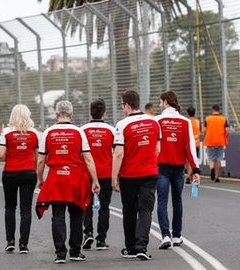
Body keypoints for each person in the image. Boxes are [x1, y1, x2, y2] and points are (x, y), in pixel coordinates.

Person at [36, 100, 101, 264]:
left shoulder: (48, 132)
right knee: (77, 215)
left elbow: (40, 161)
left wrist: (40, 178)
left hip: (56, 177)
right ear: (71, 115)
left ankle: (60, 253)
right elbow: (88, 159)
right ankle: (75, 251)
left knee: (57, 215)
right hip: (76, 178)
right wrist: (95, 180)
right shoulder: (79, 132)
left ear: (57, 114)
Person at [112, 90, 161, 261]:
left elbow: (118, 154)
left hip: (129, 175)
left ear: (126, 105)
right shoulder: (154, 122)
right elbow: (157, 150)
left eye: (122, 105)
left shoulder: (122, 124)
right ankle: (142, 246)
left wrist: (114, 177)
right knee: (146, 209)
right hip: (149, 173)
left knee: (129, 210)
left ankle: (131, 247)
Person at [155, 92, 200, 249]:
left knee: (161, 201)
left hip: (161, 168)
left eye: (160, 102)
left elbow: (154, 148)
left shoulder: (157, 121)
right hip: (179, 169)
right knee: (177, 201)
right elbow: (190, 148)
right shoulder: (185, 122)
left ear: (166, 102)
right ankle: (177, 236)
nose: (159, 105)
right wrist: (196, 169)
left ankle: (165, 235)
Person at [0, 104, 40, 254]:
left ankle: (10, 241)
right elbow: (38, 157)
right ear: (28, 115)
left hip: (10, 172)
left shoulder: (6, 132)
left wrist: (12, 153)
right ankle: (24, 244)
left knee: (10, 207)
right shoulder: (34, 133)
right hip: (28, 172)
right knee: (26, 209)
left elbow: (0, 154)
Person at [80, 99, 115, 251]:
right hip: (106, 173)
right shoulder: (111, 130)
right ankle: (101, 239)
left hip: (87, 173)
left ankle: (88, 232)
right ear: (104, 113)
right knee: (104, 207)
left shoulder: (82, 130)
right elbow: (117, 152)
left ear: (90, 112)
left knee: (86, 205)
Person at [203, 104, 229, 182]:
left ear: (212, 110)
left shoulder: (207, 119)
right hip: (220, 141)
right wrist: (225, 137)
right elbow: (227, 130)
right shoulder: (223, 119)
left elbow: (204, 130)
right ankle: (217, 177)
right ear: (219, 110)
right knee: (218, 159)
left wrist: (208, 134)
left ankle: (212, 169)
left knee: (211, 158)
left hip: (210, 141)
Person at [185, 106, 201, 185]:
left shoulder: (186, 121)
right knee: (193, 160)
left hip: (189, 143)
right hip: (196, 143)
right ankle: (190, 176)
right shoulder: (198, 121)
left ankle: (188, 176)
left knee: (188, 161)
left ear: (187, 113)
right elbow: (200, 131)